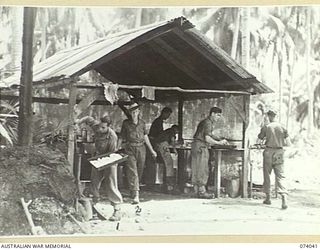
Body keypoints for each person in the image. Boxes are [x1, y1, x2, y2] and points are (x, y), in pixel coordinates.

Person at [76, 115, 123, 221]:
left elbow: (111, 153)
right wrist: (78, 122)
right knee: (94, 182)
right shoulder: (97, 126)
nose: (100, 129)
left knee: (111, 184)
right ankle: (93, 208)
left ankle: (117, 210)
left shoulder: (112, 136)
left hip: (110, 159)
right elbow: (88, 118)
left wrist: (103, 161)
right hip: (98, 158)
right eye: (100, 127)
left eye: (103, 128)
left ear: (108, 127)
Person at [118, 103, 157, 204]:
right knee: (132, 170)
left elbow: (145, 137)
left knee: (139, 170)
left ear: (139, 112)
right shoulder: (126, 123)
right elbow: (121, 137)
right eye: (132, 112)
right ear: (130, 113)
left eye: (136, 112)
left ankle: (133, 189)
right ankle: (136, 195)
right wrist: (117, 148)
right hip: (130, 148)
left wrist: (152, 150)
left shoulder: (142, 123)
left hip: (141, 148)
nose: (134, 114)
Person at [191, 107, 228, 199]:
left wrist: (219, 138)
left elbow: (210, 135)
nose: (219, 117)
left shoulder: (205, 122)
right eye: (218, 115)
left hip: (195, 146)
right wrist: (219, 143)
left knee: (196, 168)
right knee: (202, 169)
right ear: (212, 114)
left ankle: (196, 191)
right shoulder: (208, 123)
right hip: (201, 147)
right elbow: (207, 138)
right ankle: (202, 192)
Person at [257, 109, 289, 209]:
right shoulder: (283, 127)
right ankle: (284, 198)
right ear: (276, 116)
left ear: (269, 116)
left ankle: (268, 198)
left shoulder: (266, 127)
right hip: (279, 152)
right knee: (280, 175)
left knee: (267, 175)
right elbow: (288, 142)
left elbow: (259, 141)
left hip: (268, 152)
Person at [154, 125, 179, 193]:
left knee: (162, 164)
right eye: (177, 131)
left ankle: (161, 184)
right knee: (169, 164)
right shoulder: (172, 131)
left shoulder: (167, 131)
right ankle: (170, 186)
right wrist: (174, 150)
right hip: (163, 145)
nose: (177, 133)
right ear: (175, 129)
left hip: (157, 146)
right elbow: (172, 141)